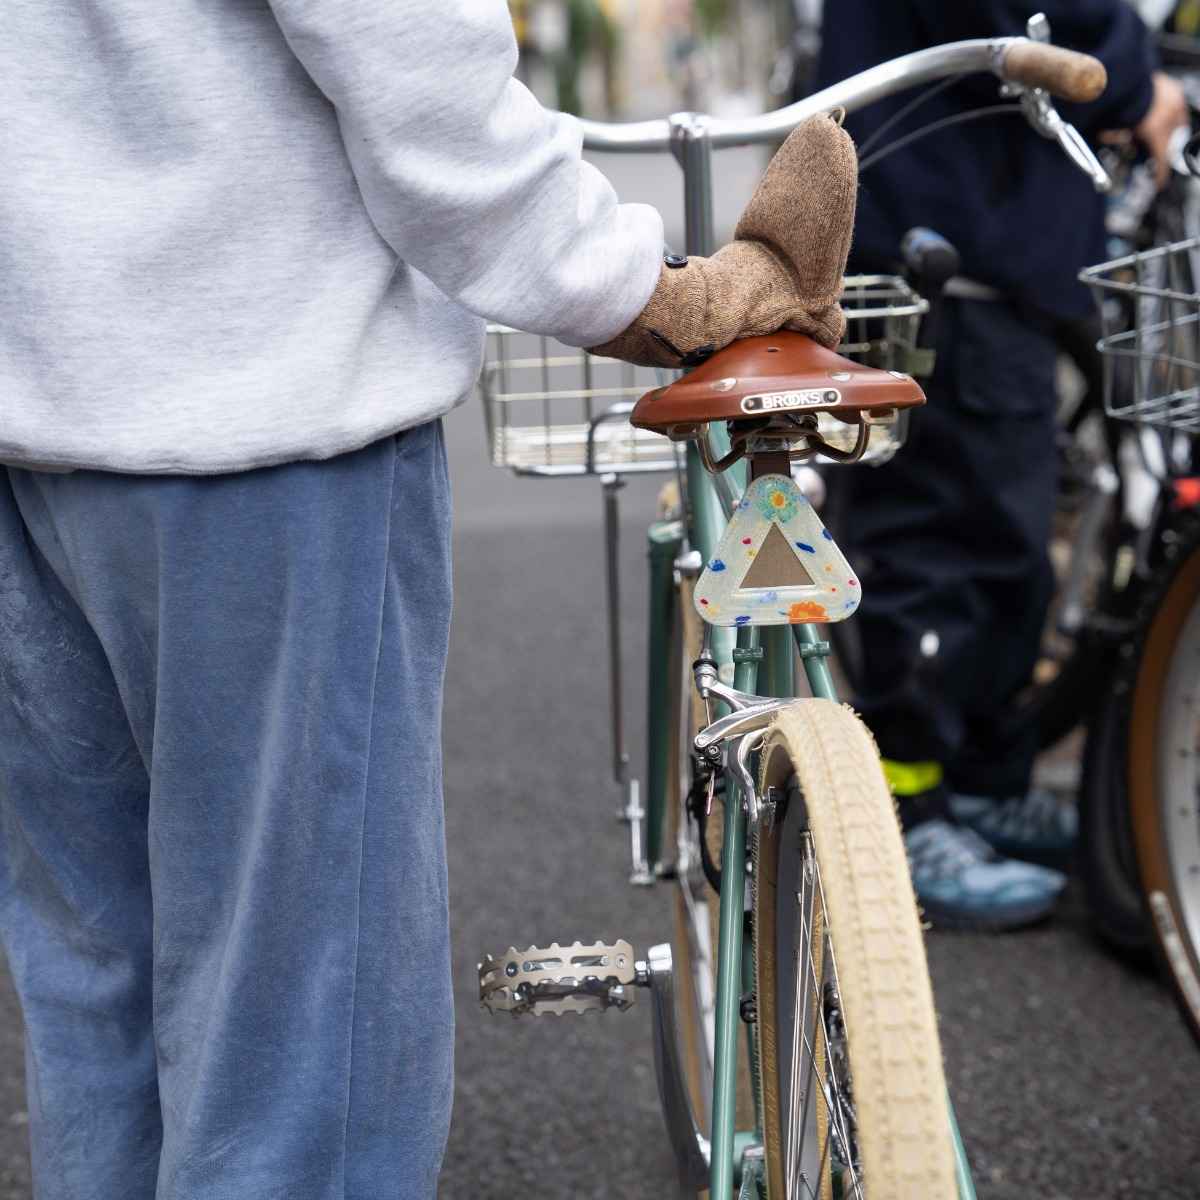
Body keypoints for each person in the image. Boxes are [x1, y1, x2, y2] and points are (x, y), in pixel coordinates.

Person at [0, 3, 857, 1196]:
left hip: (27, 438)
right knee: (303, 1042)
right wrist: (660, 296)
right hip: (254, 423)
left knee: (101, 984)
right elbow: (419, 79)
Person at [817, 1, 1188, 930]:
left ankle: (982, 782)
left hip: (976, 238)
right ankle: (907, 812)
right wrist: (1131, 77)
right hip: (952, 240)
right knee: (939, 546)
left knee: (1003, 548)